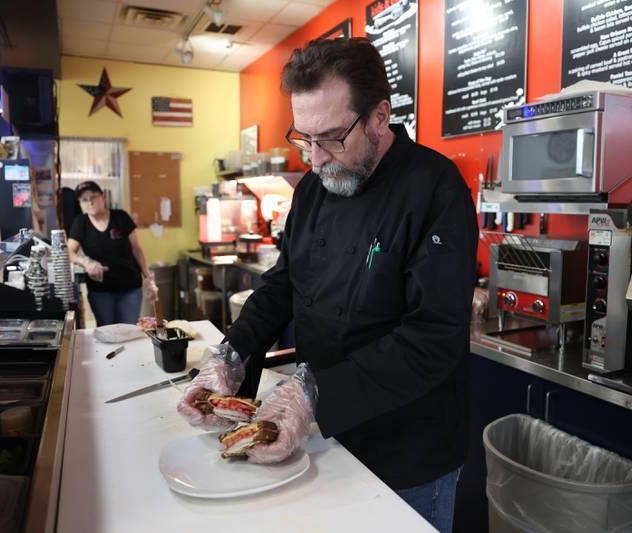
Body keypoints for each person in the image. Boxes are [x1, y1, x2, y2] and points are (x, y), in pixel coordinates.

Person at [179, 38, 477, 532]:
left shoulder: (436, 189)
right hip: (323, 437)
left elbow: (434, 337)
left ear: (380, 116)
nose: (315, 159)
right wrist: (231, 354)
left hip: (409, 452)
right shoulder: (316, 187)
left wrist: (313, 392)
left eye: (333, 138)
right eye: (304, 138)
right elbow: (281, 286)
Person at [67, 180, 158, 326]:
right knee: (106, 330)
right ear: (80, 204)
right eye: (84, 200)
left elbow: (137, 249)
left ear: (103, 197)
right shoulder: (80, 223)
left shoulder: (121, 217)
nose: (89, 202)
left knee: (128, 329)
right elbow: (69, 252)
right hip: (100, 291)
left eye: (93, 197)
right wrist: (86, 262)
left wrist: (148, 278)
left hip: (130, 287)